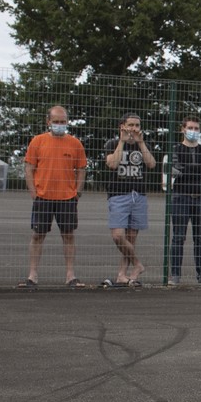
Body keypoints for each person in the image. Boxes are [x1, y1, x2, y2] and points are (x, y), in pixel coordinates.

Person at [21, 105, 88, 289]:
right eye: (56, 121)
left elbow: (81, 168)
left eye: (63, 122)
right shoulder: (37, 141)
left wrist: (77, 192)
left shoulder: (75, 143)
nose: (60, 125)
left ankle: (70, 275)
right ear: (48, 121)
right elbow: (28, 168)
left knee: (68, 235)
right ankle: (32, 275)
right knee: (38, 235)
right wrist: (34, 193)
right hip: (43, 196)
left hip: (67, 197)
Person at [103, 112, 157, 287]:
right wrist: (122, 141)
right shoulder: (112, 144)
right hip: (118, 195)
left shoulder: (143, 145)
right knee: (118, 236)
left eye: (137, 125)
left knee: (131, 238)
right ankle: (138, 264)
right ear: (122, 126)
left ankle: (122, 274)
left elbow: (151, 164)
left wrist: (141, 143)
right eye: (131, 125)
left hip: (138, 196)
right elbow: (112, 163)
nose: (134, 129)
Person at [166, 115, 201, 287]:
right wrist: (200, 168)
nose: (193, 132)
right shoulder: (175, 149)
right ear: (183, 129)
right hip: (180, 196)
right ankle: (174, 275)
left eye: (196, 129)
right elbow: (174, 169)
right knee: (178, 237)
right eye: (190, 128)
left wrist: (188, 168)